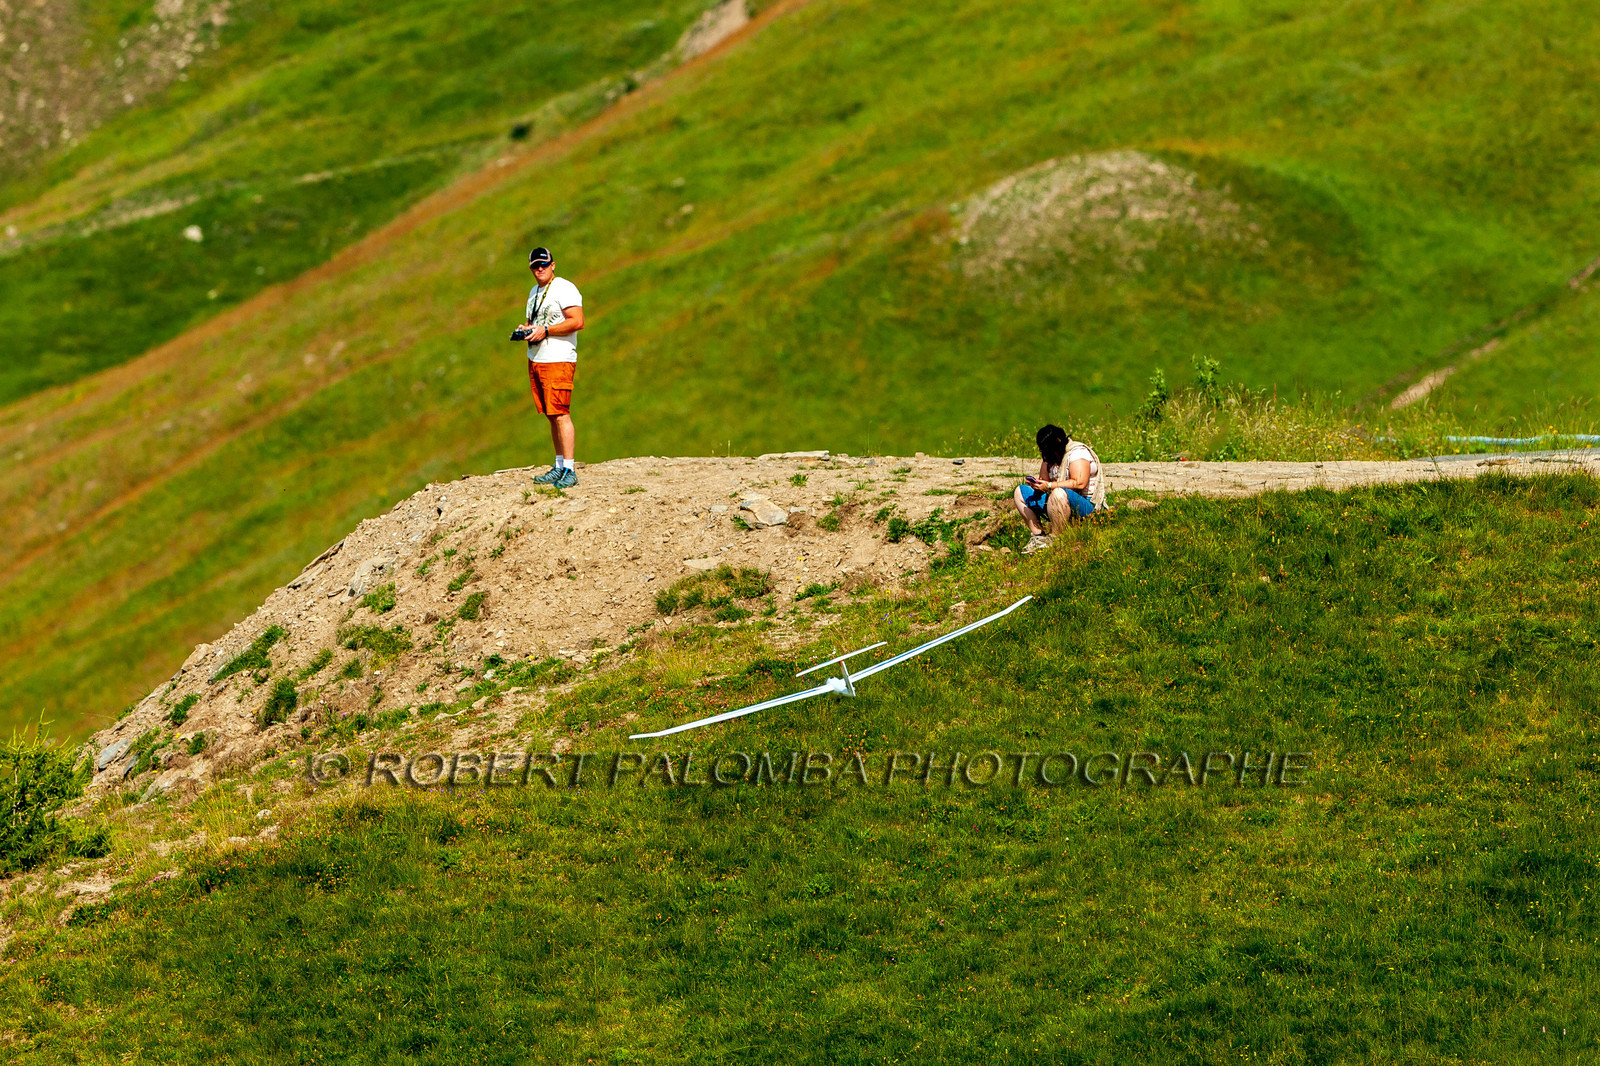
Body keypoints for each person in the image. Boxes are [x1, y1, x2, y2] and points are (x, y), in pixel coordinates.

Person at [517, 247, 585, 488]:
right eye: (535, 265)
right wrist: (527, 328)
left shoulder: (564, 288)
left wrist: (545, 331)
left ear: (553, 265)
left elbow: (577, 321)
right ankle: (558, 466)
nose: (540, 269)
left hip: (558, 359)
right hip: (537, 358)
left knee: (561, 413)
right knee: (550, 414)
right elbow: (538, 321)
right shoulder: (535, 292)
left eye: (544, 264)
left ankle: (569, 468)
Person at [1012, 424, 1103, 554]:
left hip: (1085, 503)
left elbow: (1079, 483)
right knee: (1019, 492)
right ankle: (1039, 537)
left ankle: (1055, 539)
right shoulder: (1050, 458)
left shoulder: (1077, 453)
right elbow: (1045, 480)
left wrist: (1049, 486)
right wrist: (1038, 485)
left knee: (1058, 493)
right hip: (1057, 500)